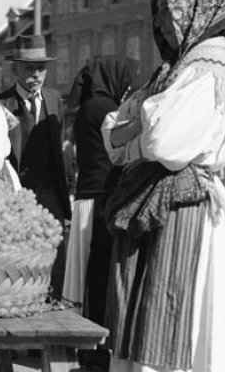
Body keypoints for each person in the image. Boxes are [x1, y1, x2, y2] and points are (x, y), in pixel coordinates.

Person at [101, 0, 225, 372]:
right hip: (169, 200)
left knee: (172, 309)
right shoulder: (180, 70)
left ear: (195, 14)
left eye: (170, 11)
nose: (162, 22)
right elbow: (118, 136)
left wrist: (143, 123)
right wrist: (142, 125)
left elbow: (163, 144)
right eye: (161, 12)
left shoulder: (209, 70)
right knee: (151, 310)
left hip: (187, 206)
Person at [63, 56, 137, 370]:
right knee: (99, 277)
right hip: (100, 199)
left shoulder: (87, 107)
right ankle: (94, 352)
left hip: (86, 198)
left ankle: (88, 348)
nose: (129, 86)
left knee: (87, 276)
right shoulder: (106, 108)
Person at [0, 34, 71, 294]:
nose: (37, 74)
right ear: (15, 68)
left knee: (52, 255)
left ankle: (53, 301)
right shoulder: (0, 104)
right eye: (30, 68)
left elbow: (58, 147)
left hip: (49, 192)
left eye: (41, 68)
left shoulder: (54, 99)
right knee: (18, 258)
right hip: (16, 195)